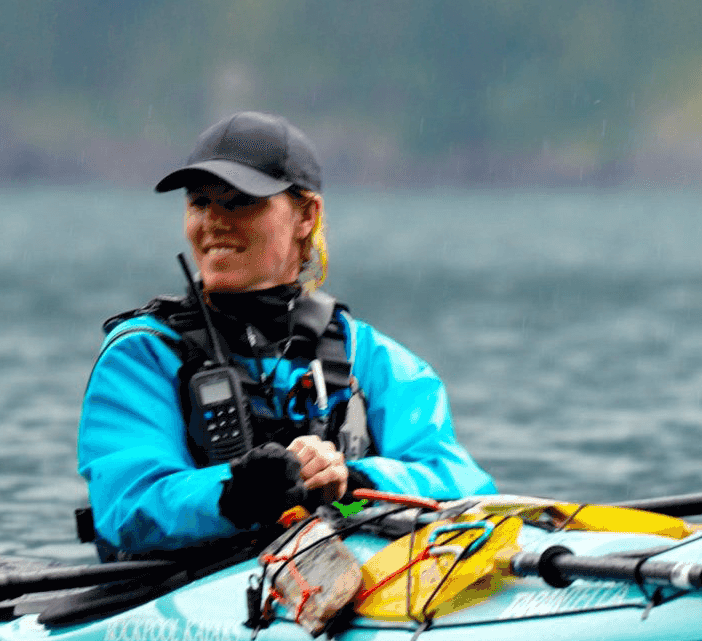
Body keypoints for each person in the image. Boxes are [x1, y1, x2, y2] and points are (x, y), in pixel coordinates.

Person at [78, 111, 495, 558]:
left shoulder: (370, 357)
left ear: (306, 216)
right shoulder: (141, 355)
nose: (214, 221)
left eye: (239, 201)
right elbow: (126, 505)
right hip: (181, 594)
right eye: (199, 202)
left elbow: (458, 478)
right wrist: (235, 493)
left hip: (355, 581)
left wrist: (356, 481)